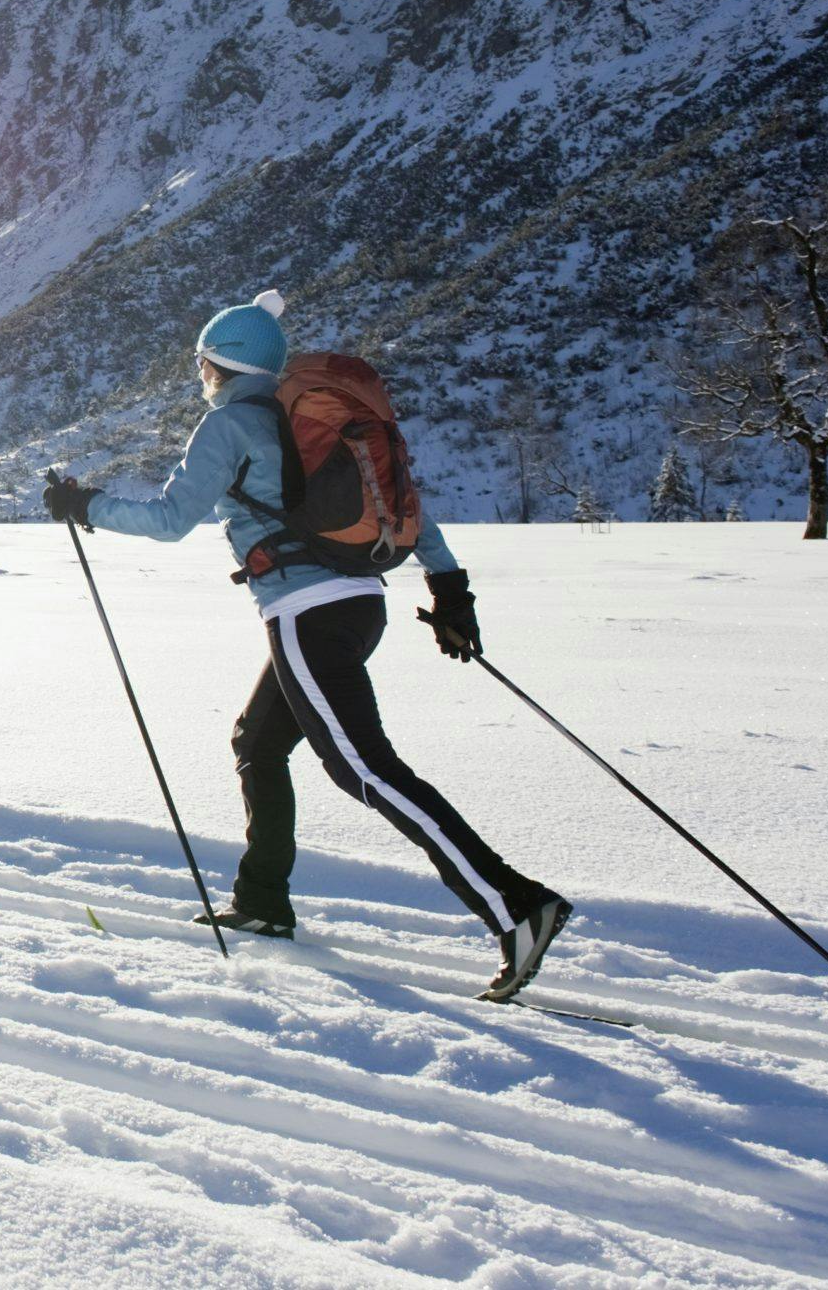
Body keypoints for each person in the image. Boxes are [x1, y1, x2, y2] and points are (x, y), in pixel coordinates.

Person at [42, 289, 572, 1003]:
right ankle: (263, 903)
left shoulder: (231, 425)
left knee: (366, 771)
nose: (199, 376)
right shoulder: (310, 420)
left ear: (219, 366)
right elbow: (412, 509)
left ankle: (515, 906)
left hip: (303, 610)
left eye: (201, 364)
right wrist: (452, 594)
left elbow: (170, 519)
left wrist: (83, 505)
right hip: (359, 604)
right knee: (258, 742)